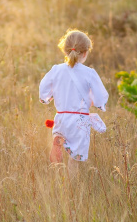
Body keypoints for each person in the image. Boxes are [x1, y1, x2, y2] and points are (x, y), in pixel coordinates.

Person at [39, 29, 109, 178]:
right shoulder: (89, 73)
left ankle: (57, 182)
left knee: (59, 155)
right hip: (79, 121)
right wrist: (99, 104)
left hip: (61, 118)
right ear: (85, 53)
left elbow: (43, 88)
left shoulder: (56, 70)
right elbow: (100, 96)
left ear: (65, 50)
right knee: (75, 159)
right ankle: (72, 187)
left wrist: (46, 98)